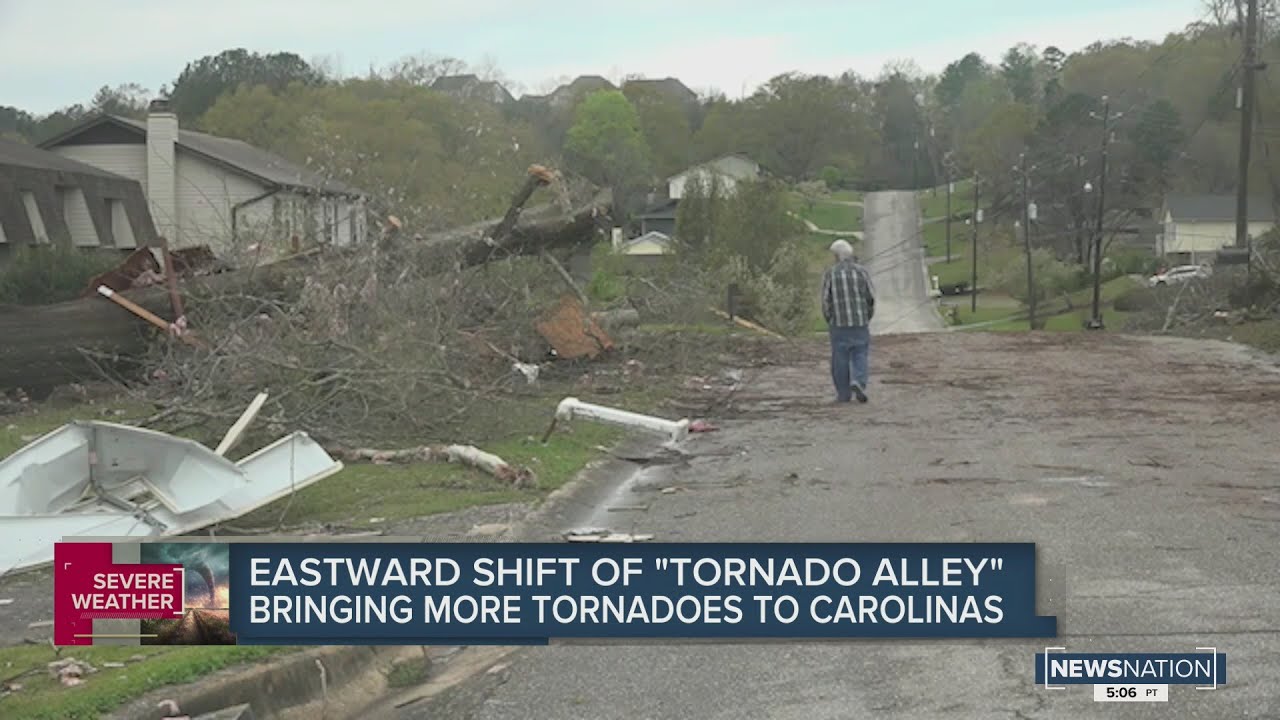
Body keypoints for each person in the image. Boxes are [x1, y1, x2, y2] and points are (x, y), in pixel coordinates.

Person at [821, 239, 874, 404]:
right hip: (859, 322)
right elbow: (870, 297)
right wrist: (867, 316)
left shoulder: (830, 274)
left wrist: (829, 319)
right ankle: (858, 381)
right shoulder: (862, 272)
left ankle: (843, 395)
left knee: (840, 358)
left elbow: (825, 301)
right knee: (860, 353)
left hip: (839, 324)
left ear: (837, 256)